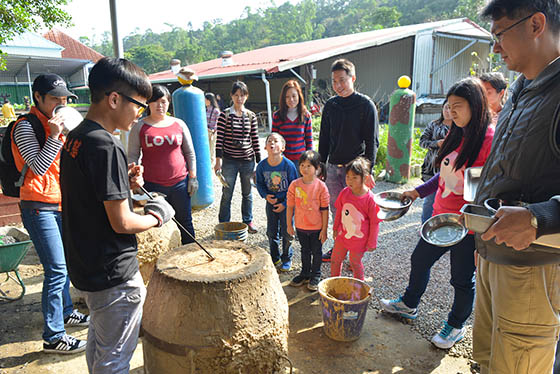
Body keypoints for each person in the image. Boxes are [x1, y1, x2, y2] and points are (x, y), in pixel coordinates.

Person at [60, 57, 175, 373]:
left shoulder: (77, 137)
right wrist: (157, 215)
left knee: (100, 348)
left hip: (87, 267)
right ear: (114, 99)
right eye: (139, 105)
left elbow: (89, 190)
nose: (140, 113)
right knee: (115, 360)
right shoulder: (107, 146)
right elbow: (122, 221)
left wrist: (121, 178)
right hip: (114, 274)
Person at [473, 2, 560, 373]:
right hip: (496, 254)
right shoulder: (521, 88)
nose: (495, 48)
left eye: (499, 34)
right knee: (486, 360)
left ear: (536, 24)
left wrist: (538, 217)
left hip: (535, 267)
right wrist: (482, 244)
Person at [380, 77, 495, 350]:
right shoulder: (456, 133)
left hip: (466, 224)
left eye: (458, 106)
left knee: (461, 279)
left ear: (476, 106)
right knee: (419, 260)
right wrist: (415, 192)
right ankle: (409, 304)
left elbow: (487, 189)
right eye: (449, 106)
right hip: (440, 218)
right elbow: (442, 179)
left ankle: (455, 325)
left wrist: (482, 224)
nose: (451, 112)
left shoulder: (488, 139)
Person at [11, 73, 89, 354]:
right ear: (38, 98)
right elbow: (38, 167)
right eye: (55, 97)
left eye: (64, 97)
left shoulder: (60, 124)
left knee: (65, 263)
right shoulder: (25, 126)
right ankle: (54, 336)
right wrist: (55, 137)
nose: (61, 102)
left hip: (59, 203)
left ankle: (66, 313)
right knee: (55, 269)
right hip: (37, 206)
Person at [318, 58, 379, 262]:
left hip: (356, 170)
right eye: (335, 81)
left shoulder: (365, 105)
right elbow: (324, 138)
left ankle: (356, 254)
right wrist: (321, 166)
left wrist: (367, 172)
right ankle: (339, 248)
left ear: (353, 78)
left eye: (343, 80)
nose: (338, 86)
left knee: (359, 212)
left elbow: (372, 141)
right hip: (333, 167)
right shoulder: (331, 105)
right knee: (338, 210)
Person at [128, 84, 197, 245]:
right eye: (156, 101)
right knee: (158, 224)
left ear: (168, 103)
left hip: (180, 183)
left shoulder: (178, 124)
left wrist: (193, 177)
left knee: (185, 221)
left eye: (164, 101)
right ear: (149, 104)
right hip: (153, 186)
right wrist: (134, 180)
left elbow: (190, 153)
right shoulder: (140, 127)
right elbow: (132, 156)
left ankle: (191, 253)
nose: (160, 105)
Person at [214, 81, 261, 233]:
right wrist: (218, 161)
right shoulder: (224, 115)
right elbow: (219, 139)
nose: (239, 98)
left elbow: (255, 138)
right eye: (236, 95)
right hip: (229, 161)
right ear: (231, 96)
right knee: (227, 193)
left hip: (248, 160)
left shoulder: (251, 116)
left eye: (242, 95)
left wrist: (259, 162)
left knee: (247, 193)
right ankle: (223, 223)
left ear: (246, 97)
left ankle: (248, 221)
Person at [330, 157, 381, 281]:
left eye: (354, 178)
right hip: (343, 235)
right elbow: (339, 212)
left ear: (365, 178)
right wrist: (335, 228)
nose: (350, 181)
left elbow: (375, 223)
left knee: (355, 263)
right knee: (335, 260)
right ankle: (333, 283)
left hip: (359, 240)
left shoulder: (370, 199)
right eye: (348, 177)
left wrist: (372, 242)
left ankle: (359, 287)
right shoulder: (344, 192)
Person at [287, 150, 330, 291]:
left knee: (317, 251)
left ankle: (316, 274)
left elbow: (325, 210)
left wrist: (324, 229)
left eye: (309, 166)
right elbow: (290, 206)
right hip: (301, 226)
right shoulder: (294, 185)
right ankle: (305, 273)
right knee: (304, 250)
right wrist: (289, 225)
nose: (305, 169)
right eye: (302, 165)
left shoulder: (321, 187)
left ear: (317, 168)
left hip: (317, 227)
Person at [256, 133, 298, 271]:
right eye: (269, 141)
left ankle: (287, 258)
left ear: (283, 147)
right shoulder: (262, 166)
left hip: (286, 203)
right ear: (265, 146)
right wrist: (266, 196)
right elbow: (260, 184)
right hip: (270, 201)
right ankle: (275, 258)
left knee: (287, 231)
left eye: (276, 141)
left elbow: (294, 187)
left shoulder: (289, 166)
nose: (272, 143)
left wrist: (285, 204)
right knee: (271, 232)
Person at [419, 100, 452, 223]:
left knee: (446, 200)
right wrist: (436, 143)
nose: (448, 111)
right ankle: (425, 225)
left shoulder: (459, 127)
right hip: (431, 167)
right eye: (445, 108)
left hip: (450, 169)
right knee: (429, 199)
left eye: (450, 108)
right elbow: (422, 142)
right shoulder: (433, 125)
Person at [271, 79, 313, 168]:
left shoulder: (306, 115)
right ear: (283, 98)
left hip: (301, 161)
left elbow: (309, 141)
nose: (291, 99)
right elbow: (274, 140)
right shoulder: (277, 116)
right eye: (287, 97)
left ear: (299, 96)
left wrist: (310, 160)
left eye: (294, 96)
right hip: (282, 160)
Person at [205, 92, 220, 168]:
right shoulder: (206, 109)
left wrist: (213, 130)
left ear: (209, 100)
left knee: (212, 148)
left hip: (212, 132)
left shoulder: (216, 110)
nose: (204, 101)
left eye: (205, 100)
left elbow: (218, 122)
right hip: (206, 131)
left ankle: (211, 164)